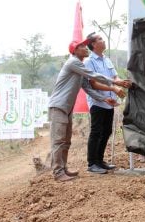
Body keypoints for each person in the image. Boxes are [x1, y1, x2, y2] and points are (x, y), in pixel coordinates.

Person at [48, 38, 127, 182]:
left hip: (67, 108)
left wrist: (104, 99)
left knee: (66, 141)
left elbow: (87, 88)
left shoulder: (79, 67)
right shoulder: (74, 62)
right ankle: (58, 172)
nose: (86, 48)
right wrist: (114, 82)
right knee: (58, 141)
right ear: (75, 50)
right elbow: (94, 76)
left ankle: (63, 168)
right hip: (58, 107)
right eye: (82, 46)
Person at [84, 33, 132, 174]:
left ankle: (99, 160)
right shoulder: (89, 61)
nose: (103, 40)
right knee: (96, 131)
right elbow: (93, 83)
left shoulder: (106, 59)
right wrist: (114, 87)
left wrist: (121, 82)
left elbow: (114, 76)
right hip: (98, 101)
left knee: (106, 131)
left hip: (109, 102)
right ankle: (92, 163)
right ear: (93, 44)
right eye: (100, 39)